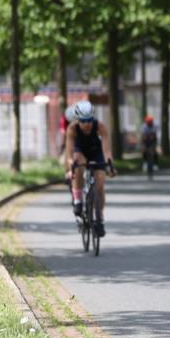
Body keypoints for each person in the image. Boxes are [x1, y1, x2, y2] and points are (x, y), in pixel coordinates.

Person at [65, 100, 116, 237]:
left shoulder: (100, 126)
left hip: (95, 151)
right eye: (83, 121)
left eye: (89, 120)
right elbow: (69, 154)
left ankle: (99, 217)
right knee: (78, 164)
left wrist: (110, 165)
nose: (86, 124)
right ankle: (78, 200)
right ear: (77, 119)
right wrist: (70, 168)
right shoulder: (72, 129)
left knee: (100, 184)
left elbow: (107, 151)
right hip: (79, 150)